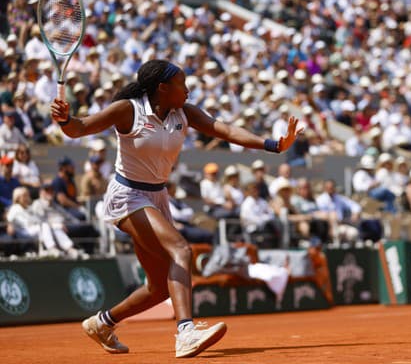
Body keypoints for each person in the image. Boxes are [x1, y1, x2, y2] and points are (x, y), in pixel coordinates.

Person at [50, 59, 301, 358]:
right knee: (181, 250)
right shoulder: (127, 109)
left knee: (158, 288)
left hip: (157, 197)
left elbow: (226, 130)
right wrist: (65, 119)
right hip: (127, 195)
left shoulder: (185, 113)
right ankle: (185, 332)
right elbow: (79, 129)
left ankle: (102, 323)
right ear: (163, 88)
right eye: (182, 83)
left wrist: (273, 145)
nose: (188, 88)